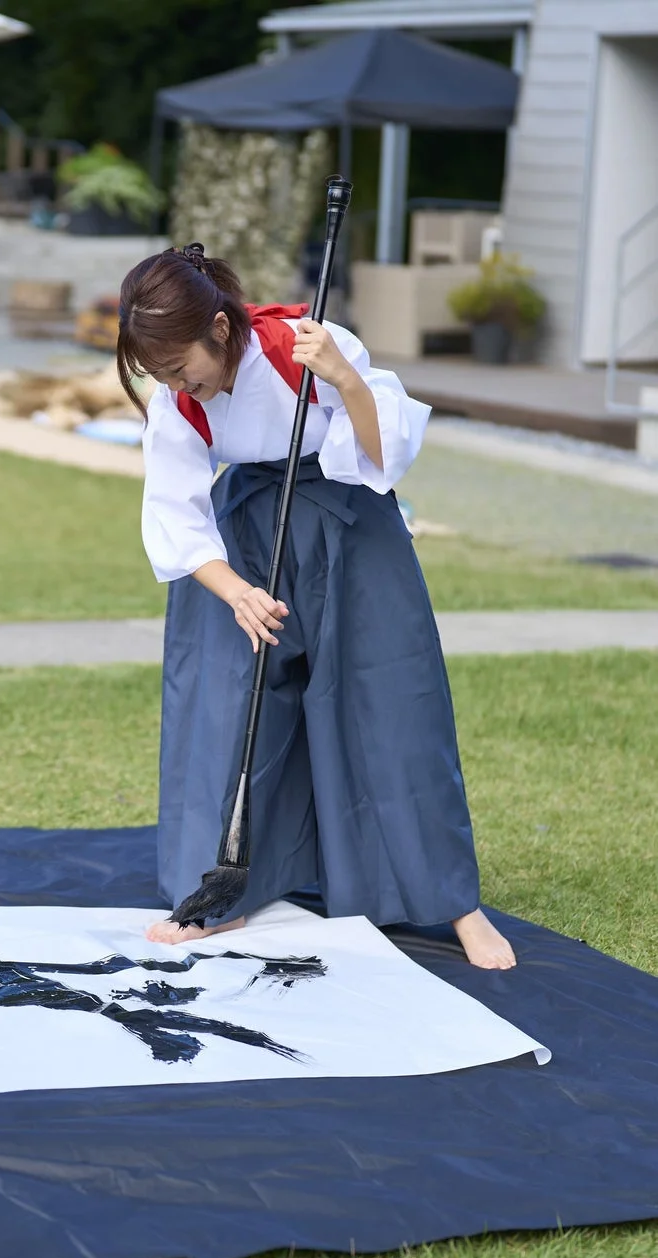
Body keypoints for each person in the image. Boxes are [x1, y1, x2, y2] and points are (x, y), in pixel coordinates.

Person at [118, 245, 515, 970]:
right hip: (243, 540)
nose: (177, 385)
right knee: (226, 707)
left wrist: (345, 380)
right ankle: (222, 891)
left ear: (218, 328)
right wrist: (236, 592)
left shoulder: (308, 344)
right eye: (161, 375)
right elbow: (174, 511)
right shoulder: (177, 401)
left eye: (180, 367)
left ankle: (453, 903)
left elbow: (382, 456)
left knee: (389, 704)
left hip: (348, 527)